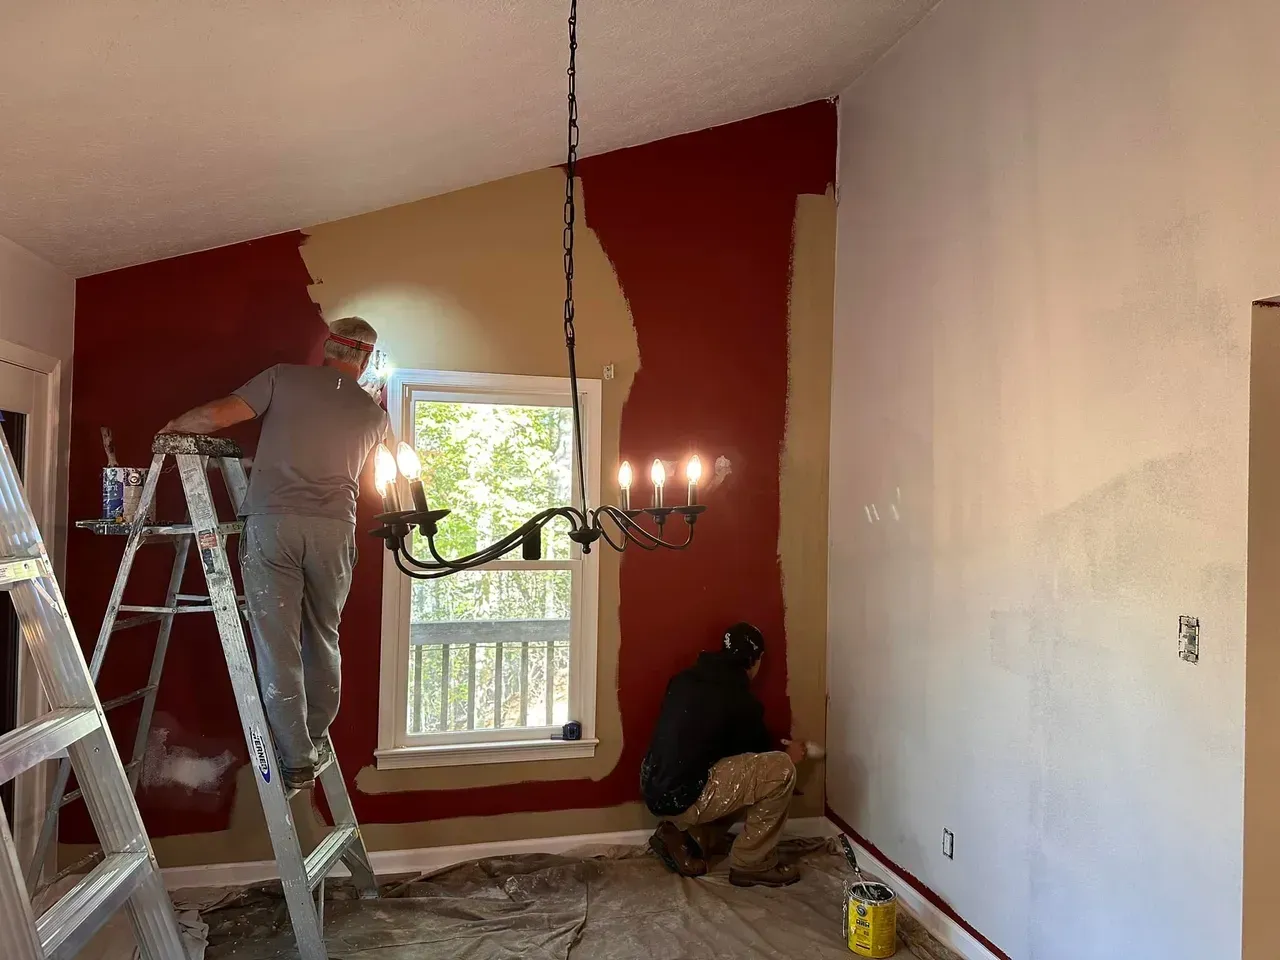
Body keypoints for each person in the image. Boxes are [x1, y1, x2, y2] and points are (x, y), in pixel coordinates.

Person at [159, 317, 389, 790]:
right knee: (323, 636)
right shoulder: (374, 415)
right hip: (334, 532)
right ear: (365, 359)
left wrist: (172, 428)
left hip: (275, 525)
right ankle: (316, 733)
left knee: (278, 644)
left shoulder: (284, 377)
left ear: (327, 346)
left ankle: (296, 759)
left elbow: (220, 415)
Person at [640, 622, 807, 888]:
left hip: (654, 785)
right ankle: (753, 863)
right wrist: (790, 754)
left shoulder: (685, 679)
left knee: (737, 774)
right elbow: (762, 759)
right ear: (755, 660)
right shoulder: (739, 699)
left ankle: (687, 840)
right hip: (684, 796)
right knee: (780, 770)